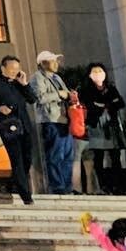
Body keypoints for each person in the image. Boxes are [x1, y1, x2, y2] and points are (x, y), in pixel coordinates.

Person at [0, 56, 38, 205]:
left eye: (17, 69)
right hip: (8, 127)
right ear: (3, 68)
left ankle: (14, 185)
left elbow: (32, 99)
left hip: (24, 125)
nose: (14, 71)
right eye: (11, 68)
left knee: (27, 159)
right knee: (16, 159)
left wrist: (24, 84)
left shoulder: (20, 83)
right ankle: (26, 196)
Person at [30, 51, 75, 195]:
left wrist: (70, 96)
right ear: (43, 63)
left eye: (56, 61)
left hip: (64, 119)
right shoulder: (37, 77)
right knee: (55, 155)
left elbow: (66, 94)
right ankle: (57, 186)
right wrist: (59, 94)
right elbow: (39, 98)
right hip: (50, 120)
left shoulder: (57, 77)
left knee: (68, 156)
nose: (56, 64)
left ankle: (67, 186)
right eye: (52, 61)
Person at [77, 63, 126, 195]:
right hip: (96, 125)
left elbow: (120, 103)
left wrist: (103, 104)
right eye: (95, 71)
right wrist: (107, 103)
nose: (98, 73)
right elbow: (90, 105)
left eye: (100, 71)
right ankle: (103, 186)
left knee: (115, 156)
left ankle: (118, 186)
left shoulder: (111, 87)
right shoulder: (86, 90)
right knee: (98, 156)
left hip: (111, 124)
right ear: (89, 74)